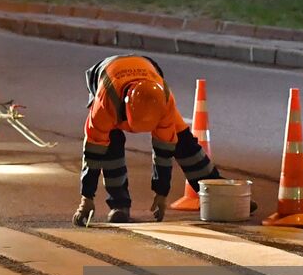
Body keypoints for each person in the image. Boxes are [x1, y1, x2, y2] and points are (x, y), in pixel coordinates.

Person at [72, 54, 221, 225]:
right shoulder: (105, 104)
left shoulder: (164, 101)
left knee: (183, 142)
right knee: (110, 146)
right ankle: (119, 206)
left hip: (147, 69)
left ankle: (220, 196)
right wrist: (86, 198)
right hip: (107, 73)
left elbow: (164, 152)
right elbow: (92, 154)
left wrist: (161, 194)